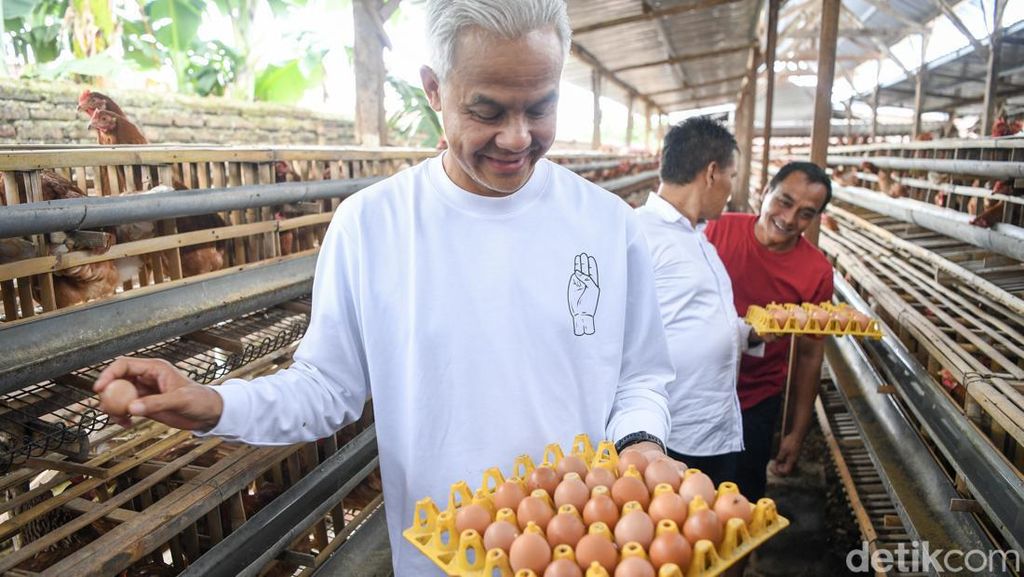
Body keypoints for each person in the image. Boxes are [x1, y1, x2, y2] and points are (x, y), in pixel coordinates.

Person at [93, 1, 678, 575]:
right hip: (439, 559)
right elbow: (326, 389)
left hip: (584, 553)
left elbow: (641, 374)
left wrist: (643, 442)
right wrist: (216, 404)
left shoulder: (606, 224)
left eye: (540, 108)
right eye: (488, 111)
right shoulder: (373, 225)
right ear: (433, 89)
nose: (517, 137)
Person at [635, 117, 767, 485]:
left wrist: (749, 335)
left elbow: (691, 320)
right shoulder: (638, 233)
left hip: (714, 423)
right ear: (711, 173)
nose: (730, 187)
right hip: (672, 433)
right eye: (732, 175)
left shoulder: (697, 235)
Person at [704, 161, 834, 501]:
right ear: (765, 193)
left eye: (806, 213)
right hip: (693, 390)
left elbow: (808, 355)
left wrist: (796, 430)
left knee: (741, 501)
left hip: (755, 399)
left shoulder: (816, 271)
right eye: (784, 201)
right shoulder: (714, 231)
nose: (790, 219)